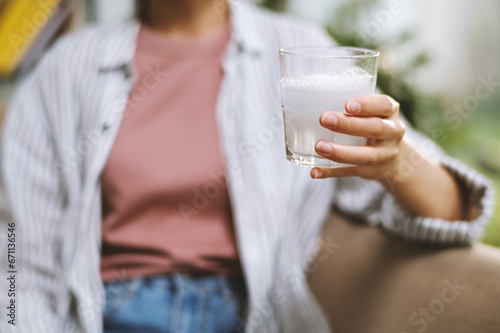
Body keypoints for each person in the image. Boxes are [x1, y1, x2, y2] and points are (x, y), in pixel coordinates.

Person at [0, 0, 494, 332]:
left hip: (252, 317)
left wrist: (395, 161)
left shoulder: (301, 51)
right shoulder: (66, 68)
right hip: (111, 313)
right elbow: (19, 255)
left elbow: (452, 215)